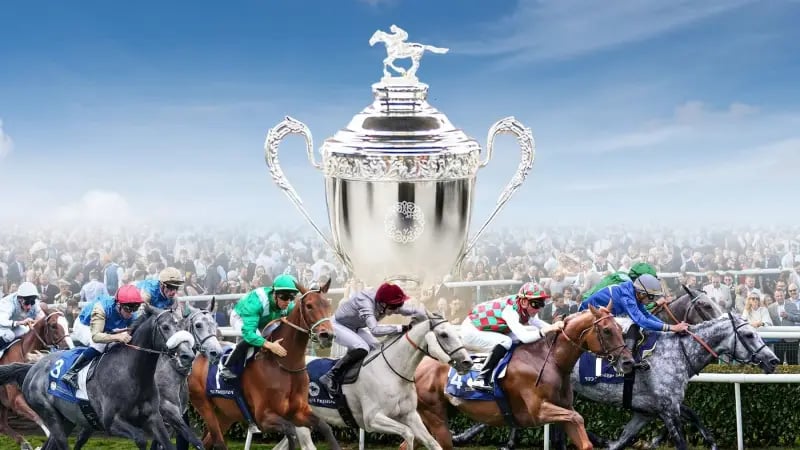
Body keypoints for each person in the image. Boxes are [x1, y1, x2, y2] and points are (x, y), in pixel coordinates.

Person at [318, 281, 424, 395]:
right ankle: (330, 376)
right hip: (337, 325)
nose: (396, 310)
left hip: (354, 327)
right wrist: (402, 328)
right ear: (383, 304)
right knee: (362, 347)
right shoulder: (365, 302)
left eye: (397, 306)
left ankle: (366, 378)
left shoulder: (387, 302)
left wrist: (430, 319)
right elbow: (375, 331)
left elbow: (413, 310)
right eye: (393, 307)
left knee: (378, 349)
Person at [462, 282, 564, 391]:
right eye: (536, 304)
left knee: (533, 330)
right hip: (472, 330)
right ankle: (481, 378)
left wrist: (556, 328)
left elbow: (537, 323)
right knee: (506, 341)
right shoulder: (510, 311)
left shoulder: (524, 305)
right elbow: (525, 337)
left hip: (486, 328)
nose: (539, 309)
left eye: (542, 304)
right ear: (524, 302)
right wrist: (548, 329)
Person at [580, 273, 689, 370]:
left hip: (603, 315)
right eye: (651, 297)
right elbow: (641, 321)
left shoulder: (633, 293)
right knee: (632, 324)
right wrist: (672, 328)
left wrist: (670, 327)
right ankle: (626, 360)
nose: (652, 300)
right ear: (642, 293)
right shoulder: (627, 296)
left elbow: (646, 314)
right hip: (589, 315)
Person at [219, 274, 300, 380]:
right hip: (241, 317)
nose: (288, 301)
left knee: (279, 332)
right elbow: (249, 333)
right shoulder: (257, 301)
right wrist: (270, 345)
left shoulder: (287, 304)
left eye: (292, 297)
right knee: (255, 336)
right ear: (274, 294)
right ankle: (227, 366)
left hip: (263, 319)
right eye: (284, 297)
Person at [62, 285, 143, 389]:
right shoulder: (101, 308)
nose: (131, 313)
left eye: (135, 308)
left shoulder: (129, 311)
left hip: (107, 326)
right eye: (128, 309)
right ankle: (71, 373)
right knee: (99, 345)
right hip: (85, 325)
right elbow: (96, 336)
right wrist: (118, 337)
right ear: (118, 304)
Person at [0, 281, 46, 348]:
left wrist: (37, 321)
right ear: (20, 299)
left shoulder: (31, 300)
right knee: (9, 335)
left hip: (13, 326)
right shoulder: (8, 303)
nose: (29, 306)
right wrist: (20, 322)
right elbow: (2, 321)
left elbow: (41, 315)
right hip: (2, 326)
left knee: (26, 331)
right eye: (27, 303)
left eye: (32, 303)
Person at [581, 262, 657, 301]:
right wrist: (656, 303)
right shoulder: (626, 285)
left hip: (588, 300)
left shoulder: (622, 275)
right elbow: (636, 310)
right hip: (590, 308)